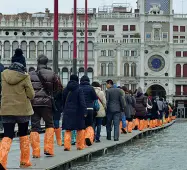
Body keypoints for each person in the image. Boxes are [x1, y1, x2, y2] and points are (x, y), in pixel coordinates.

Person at [0, 48, 35, 169]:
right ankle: (24, 161)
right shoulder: (25, 76)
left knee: (7, 135)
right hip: (22, 110)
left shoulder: (3, 74)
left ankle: (1, 160)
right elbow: (31, 95)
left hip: (6, 109)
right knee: (23, 135)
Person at [29, 54, 60, 158]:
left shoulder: (31, 74)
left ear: (38, 62)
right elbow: (57, 88)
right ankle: (48, 149)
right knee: (49, 125)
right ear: (47, 63)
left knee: (34, 127)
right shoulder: (52, 74)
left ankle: (35, 152)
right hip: (47, 103)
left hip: (34, 103)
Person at [62, 75, 87, 151]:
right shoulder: (79, 89)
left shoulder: (65, 89)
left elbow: (62, 101)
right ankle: (80, 145)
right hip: (77, 111)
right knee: (79, 129)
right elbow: (82, 101)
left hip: (67, 111)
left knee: (68, 129)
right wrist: (84, 111)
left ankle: (66, 145)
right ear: (77, 80)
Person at [80, 75, 98, 146]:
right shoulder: (91, 88)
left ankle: (82, 140)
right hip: (90, 109)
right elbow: (95, 98)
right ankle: (88, 137)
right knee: (89, 125)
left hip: (81, 109)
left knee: (82, 125)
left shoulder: (79, 88)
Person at [53, 76, 63, 146]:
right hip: (57, 107)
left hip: (55, 107)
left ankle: (57, 139)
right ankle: (58, 139)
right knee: (55, 122)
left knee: (55, 122)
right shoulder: (60, 88)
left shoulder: (52, 88)